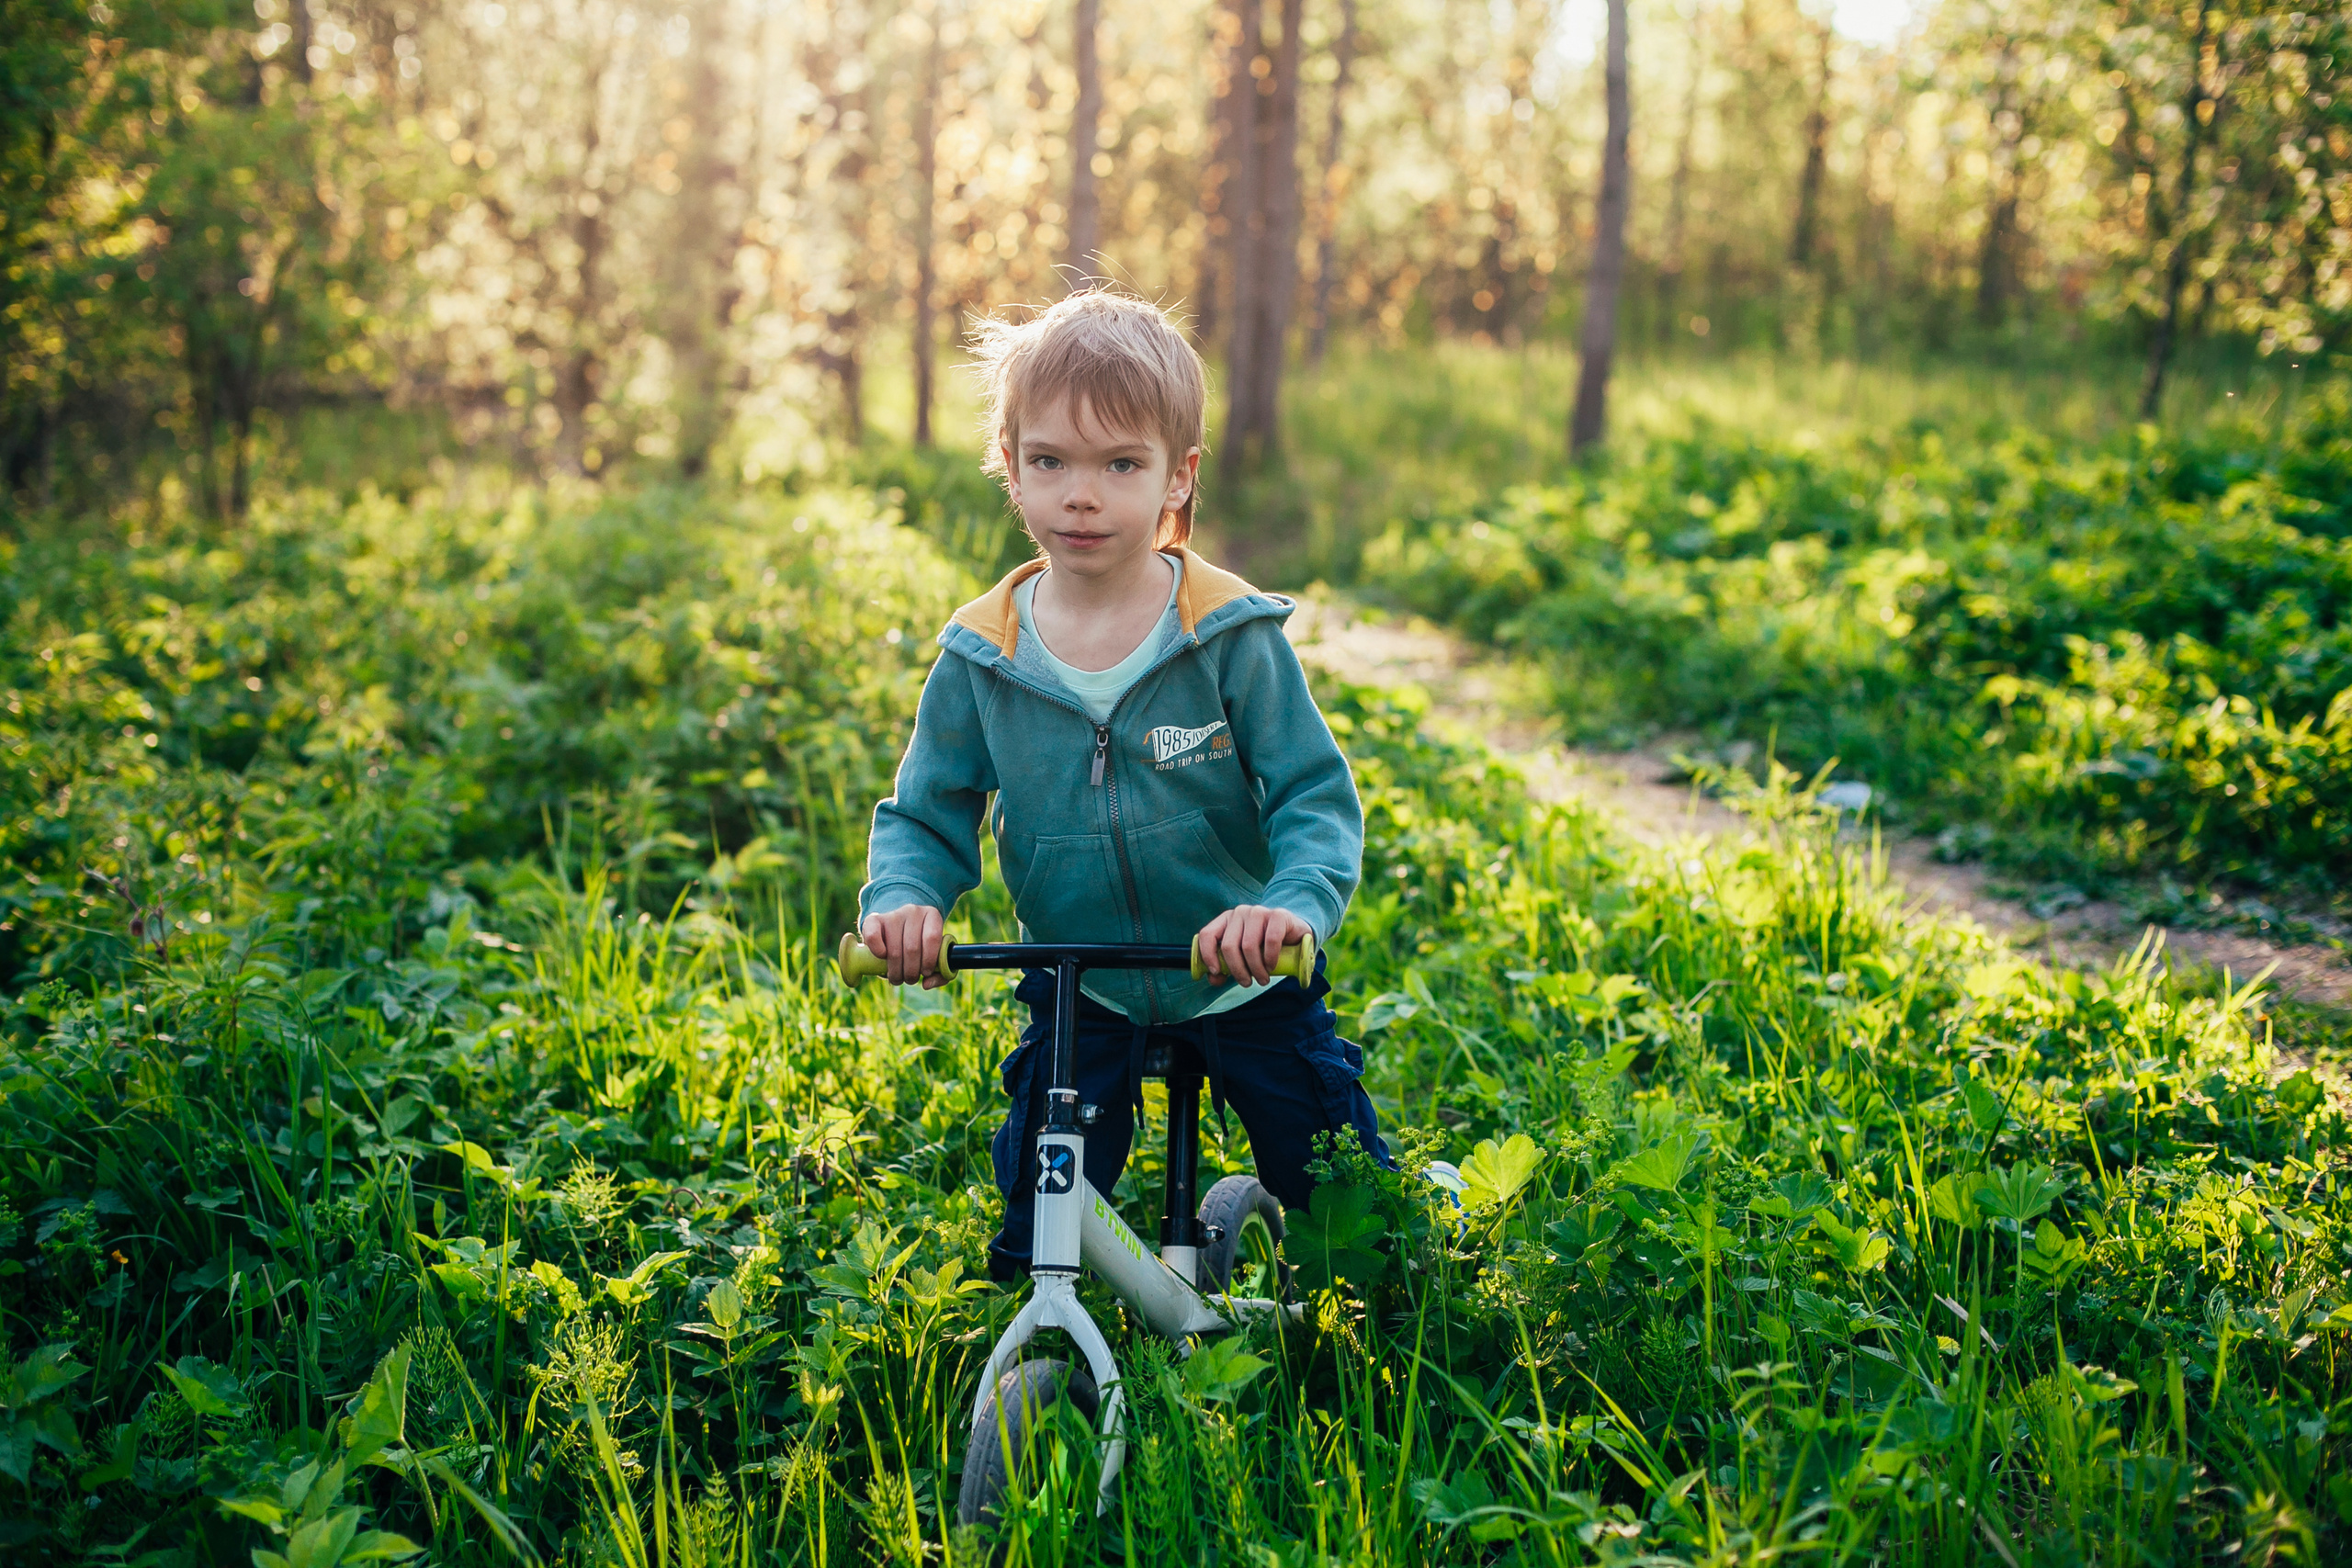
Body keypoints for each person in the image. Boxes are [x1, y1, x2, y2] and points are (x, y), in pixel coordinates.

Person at [856, 288, 1389, 1282]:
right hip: (1082, 982)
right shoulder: (983, 657)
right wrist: (907, 899)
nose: (1080, 494)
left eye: (1120, 465)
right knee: (1035, 1225)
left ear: (1177, 479)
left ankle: (1382, 1326)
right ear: (1007, 467)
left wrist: (1286, 910)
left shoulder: (1226, 635)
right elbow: (927, 813)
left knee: (1340, 1192)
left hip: (1238, 975)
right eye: (1049, 461)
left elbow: (1313, 797)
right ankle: (1042, 1342)